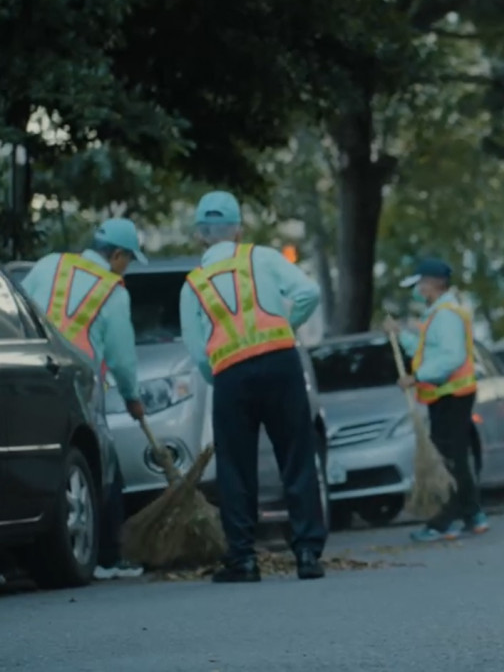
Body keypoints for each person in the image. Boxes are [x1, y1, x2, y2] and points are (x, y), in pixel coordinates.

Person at [179, 191, 326, 583]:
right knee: (296, 454)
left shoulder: (193, 285)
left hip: (231, 376)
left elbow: (197, 353)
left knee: (235, 467)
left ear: (200, 236)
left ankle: (242, 559)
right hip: (281, 363)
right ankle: (308, 553)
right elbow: (309, 292)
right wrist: (283, 324)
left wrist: (221, 373)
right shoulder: (261, 257)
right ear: (239, 231)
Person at [20, 219, 149, 581]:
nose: (128, 267)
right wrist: (132, 396)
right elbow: (122, 358)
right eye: (129, 259)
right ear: (118, 254)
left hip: (28, 378)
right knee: (100, 468)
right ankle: (109, 556)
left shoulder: (50, 264)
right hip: (77, 385)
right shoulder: (112, 291)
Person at [396, 258, 485, 543]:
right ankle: (473, 514)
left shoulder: (446, 315)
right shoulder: (439, 314)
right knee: (455, 456)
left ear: (433, 283)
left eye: (420, 283)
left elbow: (451, 357)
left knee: (447, 460)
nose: (418, 289)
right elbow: (429, 350)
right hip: (448, 394)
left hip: (450, 394)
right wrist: (401, 337)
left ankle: (444, 521)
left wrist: (416, 376)